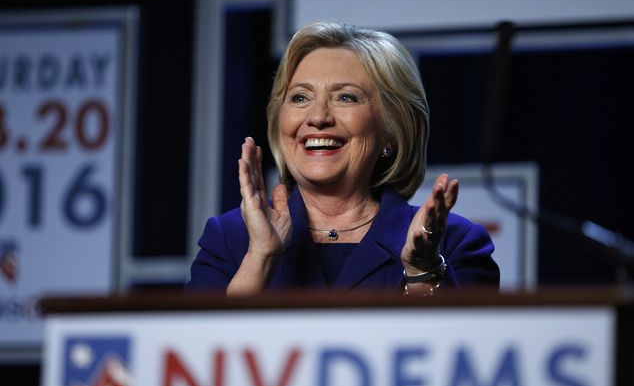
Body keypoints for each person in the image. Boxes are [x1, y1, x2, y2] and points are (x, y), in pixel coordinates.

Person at [188, 22, 499, 295]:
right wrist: (261, 255)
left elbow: (461, 357)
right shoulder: (229, 239)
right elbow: (199, 356)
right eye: (300, 97)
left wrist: (422, 271)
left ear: (391, 131)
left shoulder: (454, 242)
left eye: (345, 97)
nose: (318, 117)